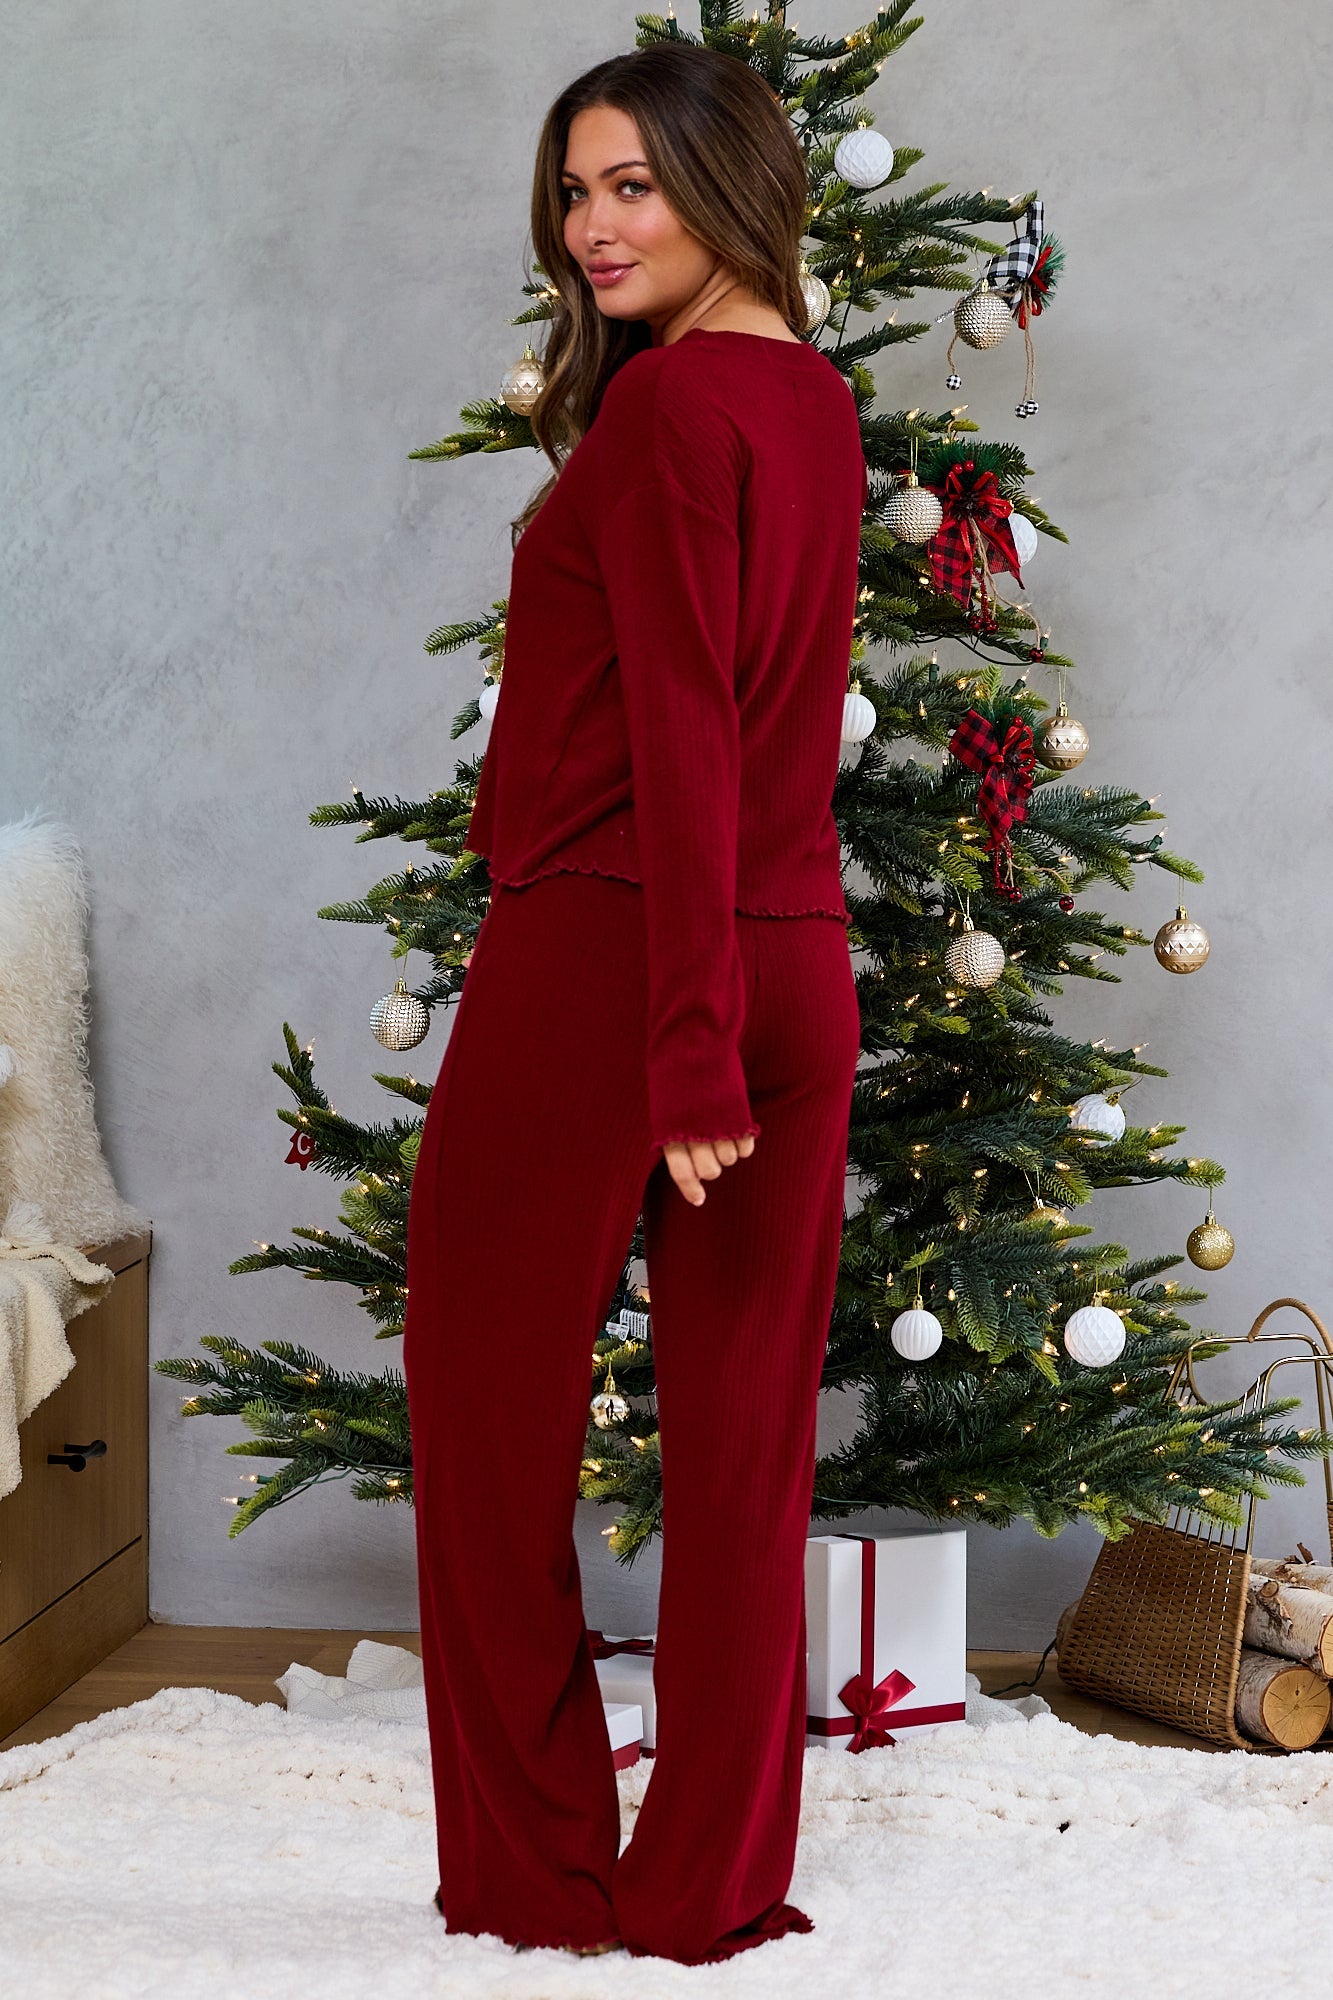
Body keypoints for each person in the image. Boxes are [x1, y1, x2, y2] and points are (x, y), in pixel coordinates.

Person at [403, 37, 866, 1966]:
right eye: (574, 193)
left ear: (724, 186)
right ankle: (706, 1890)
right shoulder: (817, 405)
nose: (591, 227)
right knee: (744, 1444)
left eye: (632, 189)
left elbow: (682, 728)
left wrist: (678, 1038)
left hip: (619, 952)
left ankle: (537, 1874)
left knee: (487, 1409)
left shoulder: (674, 414)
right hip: (789, 953)